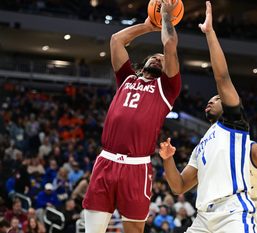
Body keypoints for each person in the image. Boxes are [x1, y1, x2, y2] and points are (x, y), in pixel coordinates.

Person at [159, 2, 257, 233]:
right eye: (211, 98)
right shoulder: (201, 146)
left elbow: (223, 77)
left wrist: (210, 34)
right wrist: (167, 159)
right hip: (203, 218)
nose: (211, 100)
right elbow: (178, 185)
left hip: (232, 213)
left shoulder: (235, 127)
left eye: (217, 98)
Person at [82, 0, 181, 232]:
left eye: (162, 58)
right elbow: (116, 39)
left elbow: (170, 46)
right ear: (143, 63)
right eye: (153, 56)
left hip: (137, 167)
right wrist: (148, 26)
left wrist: (166, 17)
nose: (159, 57)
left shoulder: (167, 89)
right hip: (106, 161)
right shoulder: (126, 78)